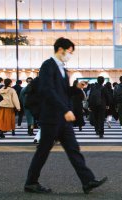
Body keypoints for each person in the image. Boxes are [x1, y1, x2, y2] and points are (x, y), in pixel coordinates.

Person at [25, 37, 107, 194]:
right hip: (51, 117)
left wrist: (76, 87)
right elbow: (47, 91)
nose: (70, 55)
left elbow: (62, 92)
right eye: (69, 52)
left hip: (61, 119)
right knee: (43, 151)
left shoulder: (62, 69)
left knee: (73, 149)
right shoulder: (48, 66)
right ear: (60, 49)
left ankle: (87, 180)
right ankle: (31, 182)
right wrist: (65, 110)